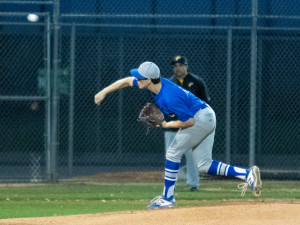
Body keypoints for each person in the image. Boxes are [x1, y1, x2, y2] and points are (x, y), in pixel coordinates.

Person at [94, 61, 262, 209]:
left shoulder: (168, 97)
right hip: (206, 115)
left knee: (173, 152)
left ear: (149, 80)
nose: (136, 79)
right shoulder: (154, 84)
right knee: (204, 164)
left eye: (140, 77)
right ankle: (246, 174)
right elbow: (125, 81)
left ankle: (167, 198)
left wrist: (167, 124)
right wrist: (104, 92)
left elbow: (189, 122)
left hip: (200, 118)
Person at [165, 56, 210, 192]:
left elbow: (205, 104)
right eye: (175, 66)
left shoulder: (196, 82)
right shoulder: (168, 83)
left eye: (180, 65)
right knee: (172, 155)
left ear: (186, 66)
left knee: (191, 156)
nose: (177, 68)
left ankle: (193, 184)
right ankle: (171, 185)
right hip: (173, 127)